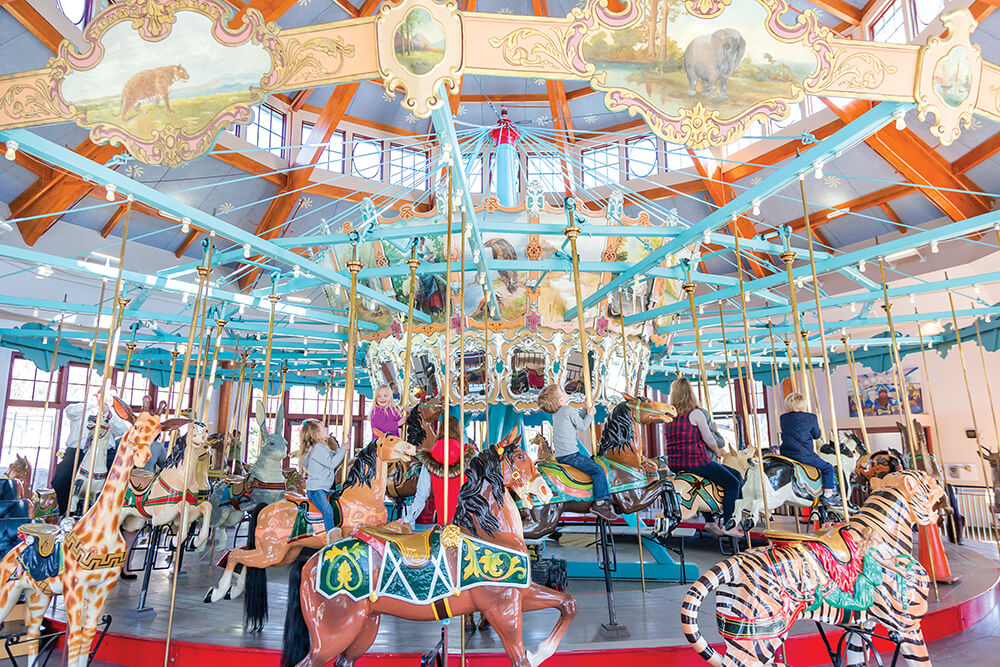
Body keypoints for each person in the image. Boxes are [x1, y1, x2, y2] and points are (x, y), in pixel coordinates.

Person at [663, 378, 743, 537]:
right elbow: (708, 438)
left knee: (704, 484)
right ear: (690, 393)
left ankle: (710, 521)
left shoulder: (669, 415)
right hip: (697, 462)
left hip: (675, 463)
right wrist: (717, 451)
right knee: (734, 481)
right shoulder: (696, 413)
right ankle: (729, 523)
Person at [537, 385, 620, 522]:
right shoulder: (567, 410)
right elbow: (582, 426)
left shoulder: (558, 414)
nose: (565, 391)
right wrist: (591, 415)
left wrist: (586, 409)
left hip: (561, 456)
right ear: (561, 399)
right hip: (571, 455)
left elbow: (576, 416)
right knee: (598, 470)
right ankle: (600, 503)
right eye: (562, 391)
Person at [403, 416, 474, 527]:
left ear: (439, 430)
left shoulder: (431, 455)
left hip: (444, 521)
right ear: (458, 430)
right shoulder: (467, 454)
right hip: (467, 520)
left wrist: (407, 519)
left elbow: (422, 493)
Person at [780, 392, 842, 508]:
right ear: (803, 404)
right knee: (828, 467)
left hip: (786, 454)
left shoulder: (783, 418)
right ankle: (828, 495)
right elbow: (816, 435)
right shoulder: (811, 417)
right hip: (804, 455)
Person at [299, 420, 345, 540]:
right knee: (328, 510)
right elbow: (332, 463)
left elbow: (333, 454)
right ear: (317, 434)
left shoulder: (320, 447)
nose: (326, 428)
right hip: (316, 490)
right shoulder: (318, 448)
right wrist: (343, 450)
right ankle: (331, 537)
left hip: (323, 489)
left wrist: (341, 448)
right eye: (323, 427)